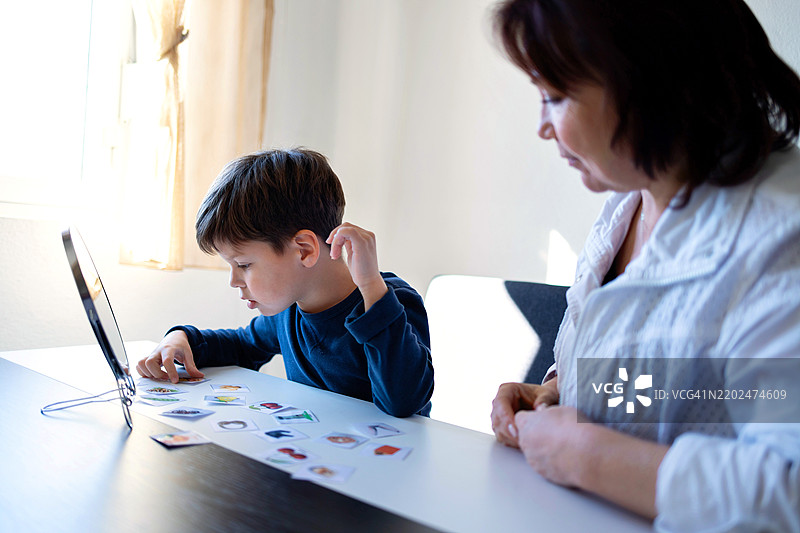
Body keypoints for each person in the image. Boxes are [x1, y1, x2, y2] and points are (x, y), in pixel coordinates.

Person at [488, 0, 800, 530]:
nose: (544, 126)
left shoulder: (781, 236)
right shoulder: (629, 203)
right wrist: (559, 390)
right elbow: (664, 376)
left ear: (651, 81)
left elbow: (786, 489)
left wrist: (584, 453)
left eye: (555, 96)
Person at [136, 148, 434, 417]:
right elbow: (242, 346)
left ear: (304, 250)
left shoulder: (393, 303)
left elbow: (403, 403)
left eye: (243, 265)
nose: (234, 281)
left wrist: (371, 288)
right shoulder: (288, 311)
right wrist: (182, 339)